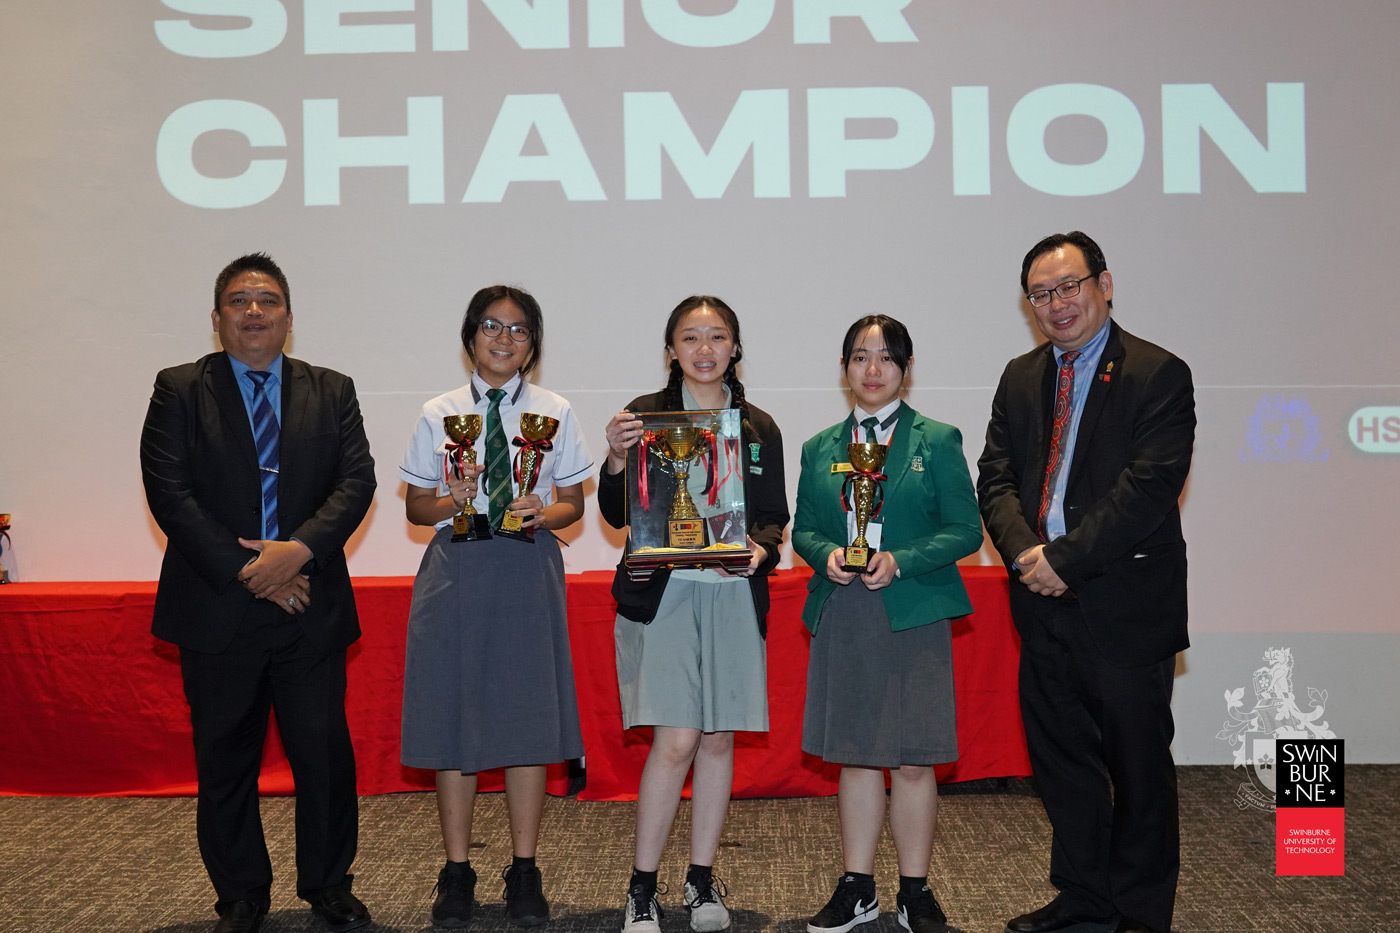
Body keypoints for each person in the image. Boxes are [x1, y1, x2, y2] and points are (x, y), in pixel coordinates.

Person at [140, 253, 376, 933]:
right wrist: (254, 572)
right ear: (216, 320)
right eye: (239, 300)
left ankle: (329, 881)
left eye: (267, 300)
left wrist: (295, 553)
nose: (253, 311)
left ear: (289, 318)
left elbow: (354, 482)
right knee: (225, 757)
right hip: (220, 605)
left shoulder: (332, 389)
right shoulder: (179, 389)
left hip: (309, 604)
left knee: (324, 754)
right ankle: (240, 893)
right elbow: (170, 493)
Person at [977, 232, 1195, 933]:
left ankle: (1137, 912)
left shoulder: (1158, 372)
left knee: (1136, 767)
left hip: (1123, 602)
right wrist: (1026, 554)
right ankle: (1083, 898)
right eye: (1041, 293)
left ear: (1105, 283)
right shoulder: (1020, 375)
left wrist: (1063, 559)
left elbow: (1148, 488)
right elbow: (998, 476)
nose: (1057, 304)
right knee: (1062, 762)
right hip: (1039, 602)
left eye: (1069, 286)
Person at [397, 285, 591, 929]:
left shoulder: (554, 409)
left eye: (519, 330)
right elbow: (415, 509)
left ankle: (525, 866)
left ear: (533, 344)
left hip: (526, 568)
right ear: (469, 336)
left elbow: (574, 504)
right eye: (491, 327)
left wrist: (546, 509)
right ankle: (456, 869)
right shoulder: (439, 412)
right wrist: (451, 497)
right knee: (456, 714)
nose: (504, 339)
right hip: (457, 570)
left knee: (527, 717)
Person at [599, 296, 789, 933]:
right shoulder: (645, 418)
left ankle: (701, 880)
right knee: (675, 738)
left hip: (733, 592)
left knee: (718, 738)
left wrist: (762, 546)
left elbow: (773, 517)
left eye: (717, 337)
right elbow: (618, 513)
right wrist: (618, 459)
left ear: (735, 348)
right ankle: (641, 886)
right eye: (690, 337)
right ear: (671, 350)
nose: (704, 349)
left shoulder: (758, 426)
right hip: (666, 593)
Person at [792, 315, 982, 933]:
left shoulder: (939, 440)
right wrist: (824, 554)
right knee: (855, 756)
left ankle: (915, 893)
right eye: (859, 357)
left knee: (913, 760)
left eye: (885, 358)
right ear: (844, 368)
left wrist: (901, 561)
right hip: (846, 609)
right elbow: (804, 528)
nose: (871, 370)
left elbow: (966, 530)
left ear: (905, 368)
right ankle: (857, 888)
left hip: (913, 613)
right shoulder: (821, 447)